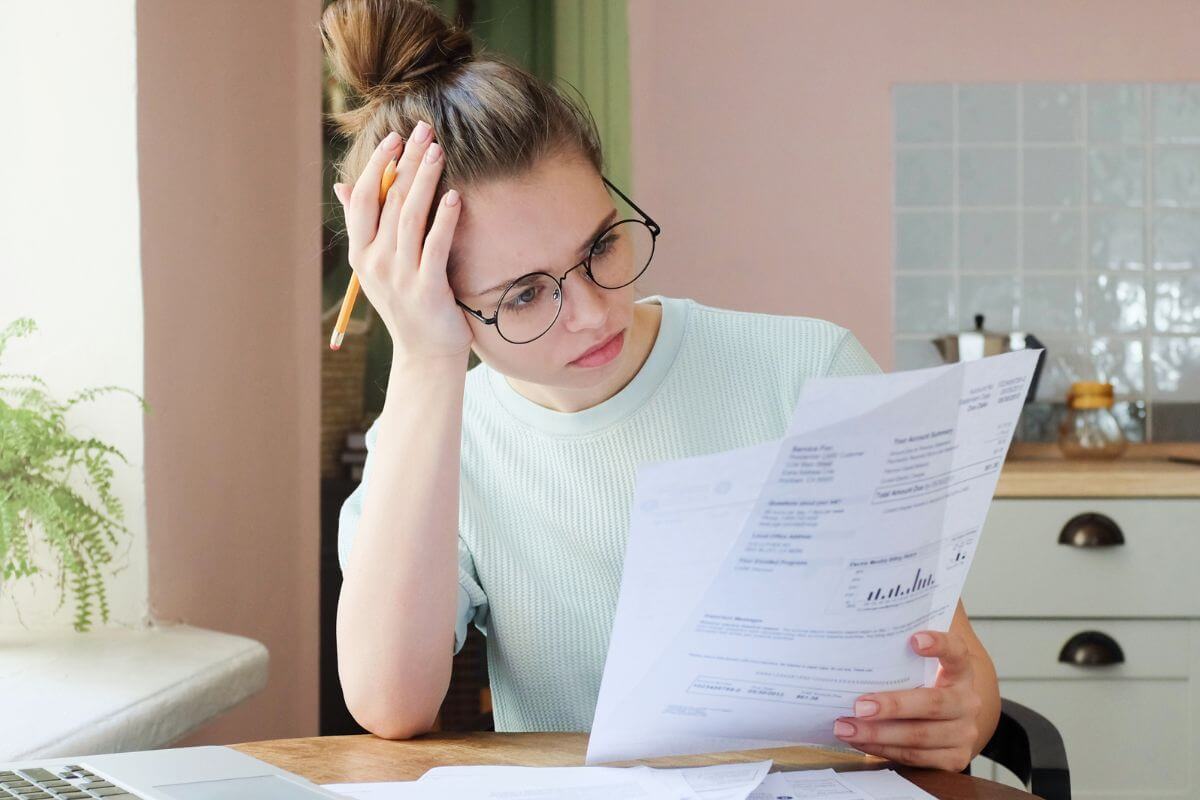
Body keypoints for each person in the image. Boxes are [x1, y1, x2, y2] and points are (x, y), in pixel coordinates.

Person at [323, 0, 999, 772]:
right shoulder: (436, 435)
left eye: (602, 245)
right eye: (523, 295)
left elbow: (959, 665)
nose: (591, 312)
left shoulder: (807, 369)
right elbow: (388, 703)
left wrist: (965, 712)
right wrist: (423, 359)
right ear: (436, 302)